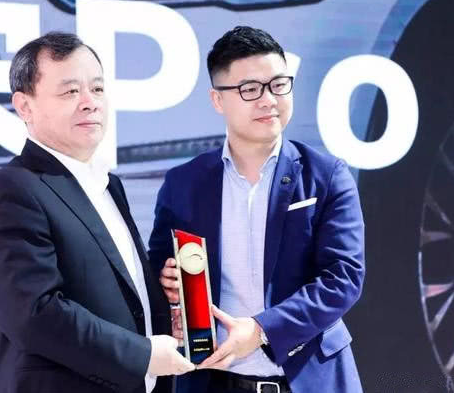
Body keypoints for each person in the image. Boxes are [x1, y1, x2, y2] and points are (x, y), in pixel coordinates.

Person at [0, 31, 194, 393]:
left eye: (98, 89)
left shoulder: (108, 184)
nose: (90, 103)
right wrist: (144, 355)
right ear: (24, 106)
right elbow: (35, 315)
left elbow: (111, 295)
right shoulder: (10, 190)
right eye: (70, 91)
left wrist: (165, 312)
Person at [148, 26, 365, 393]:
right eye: (250, 89)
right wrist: (168, 286)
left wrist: (262, 329)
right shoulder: (183, 184)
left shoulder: (327, 176)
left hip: (310, 379)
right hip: (212, 380)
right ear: (218, 100)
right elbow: (156, 271)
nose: (269, 100)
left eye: (278, 85)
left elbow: (343, 278)